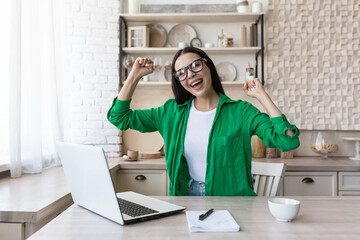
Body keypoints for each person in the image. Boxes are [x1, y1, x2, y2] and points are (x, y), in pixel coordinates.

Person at [107, 47, 300, 196]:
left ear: (209, 67)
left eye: (195, 65)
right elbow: (119, 117)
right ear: (179, 81)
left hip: (233, 201)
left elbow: (288, 141)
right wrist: (133, 76)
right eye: (181, 72)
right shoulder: (170, 112)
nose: (189, 74)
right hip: (186, 198)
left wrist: (261, 95)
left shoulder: (241, 111)